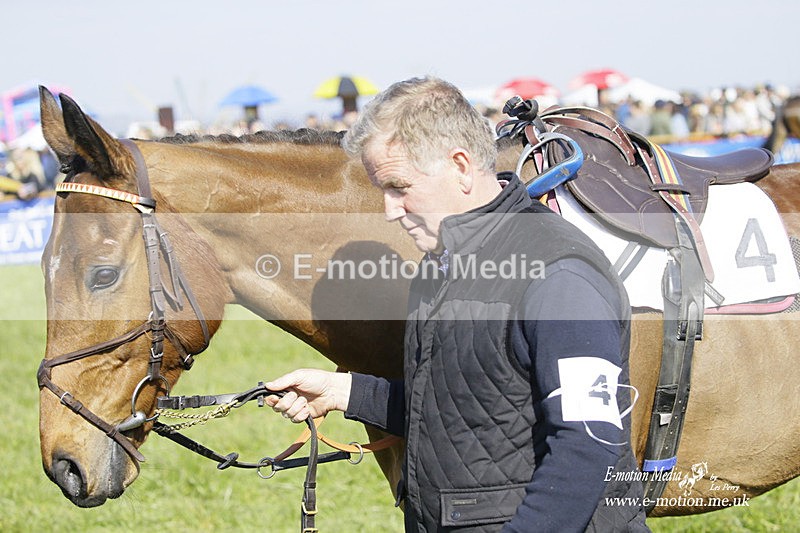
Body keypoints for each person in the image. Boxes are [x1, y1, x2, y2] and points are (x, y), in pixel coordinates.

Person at [265, 77, 649, 532]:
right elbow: (458, 405)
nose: (390, 210)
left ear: (461, 167)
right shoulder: (439, 266)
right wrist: (344, 392)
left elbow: (587, 444)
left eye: (398, 186)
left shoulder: (560, 273)